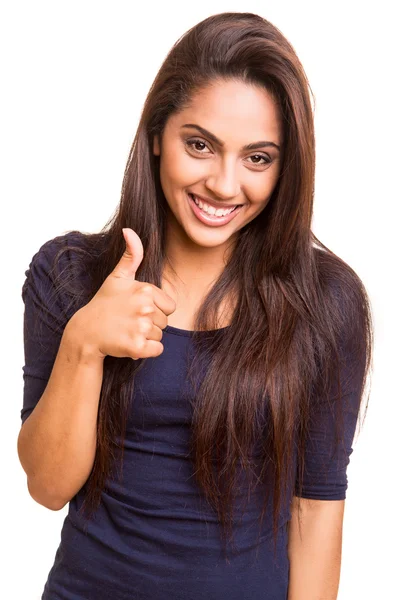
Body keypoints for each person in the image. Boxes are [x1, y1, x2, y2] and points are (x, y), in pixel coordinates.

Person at [17, 11, 373, 600]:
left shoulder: (326, 304)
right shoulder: (71, 275)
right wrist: (85, 344)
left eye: (258, 158)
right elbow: (49, 487)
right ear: (158, 135)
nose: (225, 185)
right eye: (200, 145)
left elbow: (316, 513)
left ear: (286, 168)